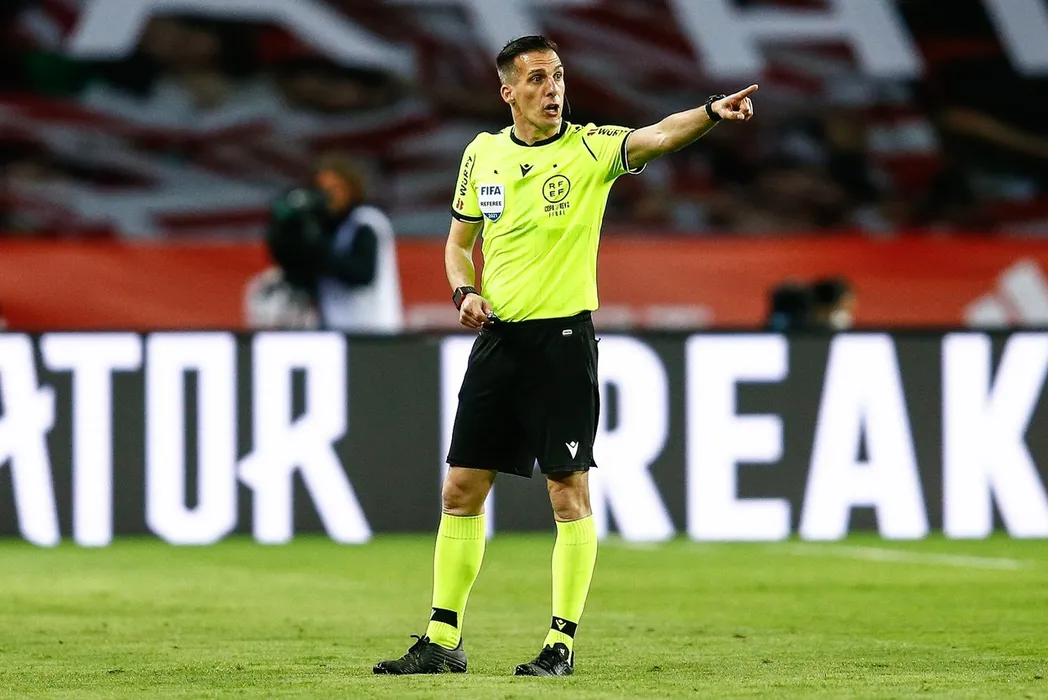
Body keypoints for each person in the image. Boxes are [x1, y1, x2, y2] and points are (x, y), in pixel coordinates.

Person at [373, 35, 757, 677]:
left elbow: (660, 135)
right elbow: (459, 243)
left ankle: (560, 644)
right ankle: (442, 639)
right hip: (499, 342)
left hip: (562, 344)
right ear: (508, 91)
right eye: (537, 79)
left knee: (567, 491)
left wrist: (712, 112)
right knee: (461, 489)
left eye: (556, 77)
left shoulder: (590, 149)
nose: (552, 89)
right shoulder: (483, 153)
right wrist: (464, 291)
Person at [260, 154, 403, 332]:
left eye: (336, 189)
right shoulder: (324, 227)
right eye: (323, 190)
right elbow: (297, 271)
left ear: (351, 189)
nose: (329, 197)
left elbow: (362, 273)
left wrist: (315, 245)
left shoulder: (366, 221)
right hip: (334, 330)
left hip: (374, 331)